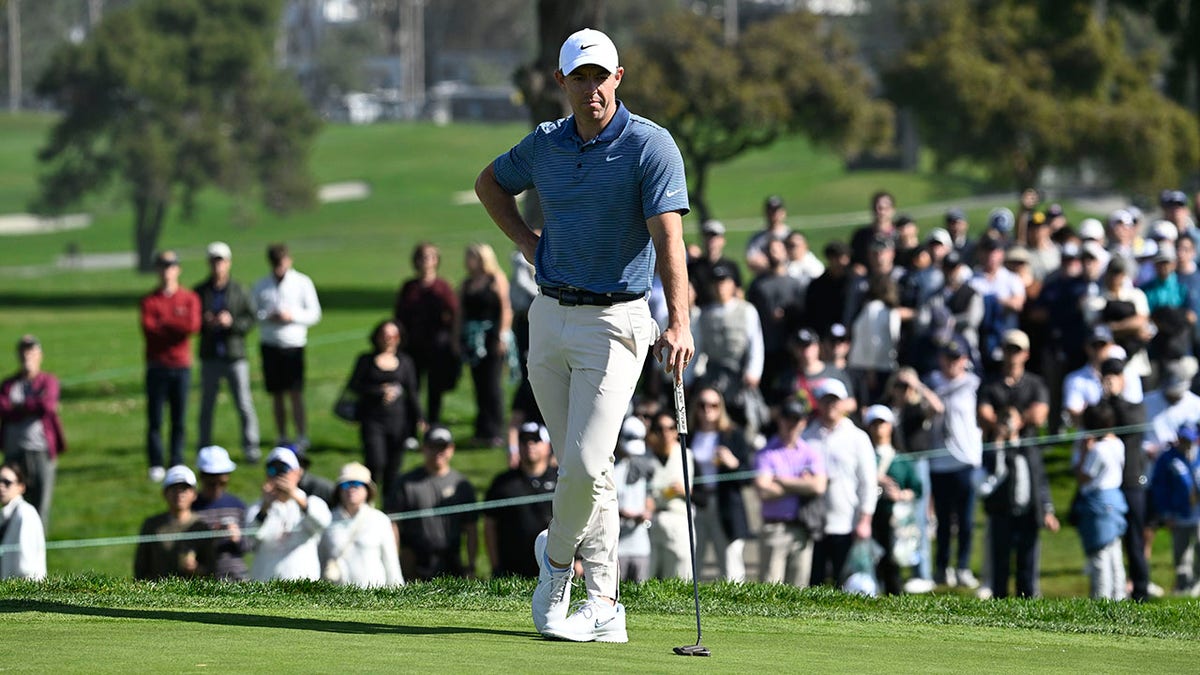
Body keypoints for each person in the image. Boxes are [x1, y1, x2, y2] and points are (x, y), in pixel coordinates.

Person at [474, 27, 692, 643]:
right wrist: (524, 241)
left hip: (616, 322)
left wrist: (679, 320)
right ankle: (606, 605)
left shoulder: (652, 146)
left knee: (587, 461)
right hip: (549, 317)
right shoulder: (544, 144)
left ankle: (555, 562)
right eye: (581, 77)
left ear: (618, 79)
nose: (592, 88)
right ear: (562, 83)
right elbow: (489, 183)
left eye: (602, 76)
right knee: (586, 473)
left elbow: (669, 239)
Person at [978, 406, 1059, 599]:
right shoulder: (993, 448)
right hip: (1002, 513)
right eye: (1004, 419)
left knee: (1027, 562)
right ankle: (1000, 601)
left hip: (1029, 514)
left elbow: (1040, 481)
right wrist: (998, 441)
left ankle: (1027, 600)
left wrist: (1047, 509)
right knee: (1001, 562)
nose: (1008, 423)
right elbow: (994, 472)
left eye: (1011, 418)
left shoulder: (1029, 448)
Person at [803, 379, 877, 587]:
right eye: (826, 401)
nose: (830, 406)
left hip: (847, 523)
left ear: (844, 403)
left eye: (835, 401)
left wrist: (865, 520)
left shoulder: (857, 437)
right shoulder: (807, 436)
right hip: (814, 523)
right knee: (813, 584)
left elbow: (868, 482)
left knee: (845, 584)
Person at [194, 241, 261, 464]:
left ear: (228, 263)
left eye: (221, 261)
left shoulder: (239, 290)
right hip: (210, 356)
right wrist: (206, 322)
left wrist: (232, 323)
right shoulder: (200, 292)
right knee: (207, 405)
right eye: (213, 261)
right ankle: (203, 449)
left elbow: (251, 318)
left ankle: (251, 448)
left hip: (234, 355)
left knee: (243, 403)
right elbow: (193, 321)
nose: (217, 266)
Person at [252, 243, 322, 451]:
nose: (279, 268)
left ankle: (301, 435)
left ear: (289, 261)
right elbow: (253, 313)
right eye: (275, 264)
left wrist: (292, 316)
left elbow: (314, 314)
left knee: (295, 392)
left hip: (293, 344)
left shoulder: (302, 282)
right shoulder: (261, 285)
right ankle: (281, 435)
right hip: (270, 343)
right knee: (277, 394)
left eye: (282, 263)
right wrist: (268, 316)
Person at [927, 335, 983, 589]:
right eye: (947, 358)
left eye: (956, 358)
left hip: (965, 460)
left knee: (966, 521)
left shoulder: (973, 385)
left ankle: (962, 566)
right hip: (939, 462)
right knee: (943, 522)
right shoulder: (931, 383)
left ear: (964, 360)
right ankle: (942, 567)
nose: (951, 363)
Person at [140, 250, 201, 482]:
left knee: (179, 418)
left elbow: (192, 326)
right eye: (163, 266)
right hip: (157, 365)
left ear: (178, 269)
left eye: (171, 265)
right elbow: (149, 329)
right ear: (158, 270)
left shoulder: (189, 298)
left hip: (181, 365)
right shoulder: (150, 300)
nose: (167, 270)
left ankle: (176, 460)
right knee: (155, 418)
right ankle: (156, 462)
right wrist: (176, 324)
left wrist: (166, 323)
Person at [386, 426, 477, 581]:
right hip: (414, 563)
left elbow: (471, 528)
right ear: (424, 448)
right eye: (432, 446)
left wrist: (470, 566)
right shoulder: (406, 483)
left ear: (451, 449)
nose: (438, 452)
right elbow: (393, 525)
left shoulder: (461, 484)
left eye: (442, 447)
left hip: (451, 562)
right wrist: (394, 563)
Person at [754, 397, 827, 587]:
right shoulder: (767, 452)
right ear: (780, 420)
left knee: (799, 589)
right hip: (774, 528)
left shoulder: (810, 452)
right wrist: (802, 483)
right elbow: (764, 490)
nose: (792, 424)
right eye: (788, 418)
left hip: (801, 527)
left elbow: (818, 486)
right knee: (770, 589)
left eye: (797, 419)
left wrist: (782, 481)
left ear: (803, 422)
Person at [345, 319, 422, 499]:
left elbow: (412, 392)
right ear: (377, 337)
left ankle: (390, 505)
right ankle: (366, 498)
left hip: (398, 421)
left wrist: (420, 418)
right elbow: (355, 387)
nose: (389, 340)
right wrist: (378, 392)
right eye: (385, 335)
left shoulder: (405, 362)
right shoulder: (365, 360)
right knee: (375, 461)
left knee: (394, 467)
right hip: (372, 419)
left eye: (393, 336)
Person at [0, 335, 65, 529]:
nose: (27, 355)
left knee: (39, 506)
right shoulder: (9, 384)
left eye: (31, 351)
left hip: (40, 452)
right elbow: (3, 408)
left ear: (40, 355)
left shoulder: (48, 381)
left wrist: (17, 407)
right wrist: (31, 406)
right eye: (23, 351)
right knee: (11, 504)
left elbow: (48, 405)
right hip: (13, 454)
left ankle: (37, 552)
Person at [687, 386, 751, 582]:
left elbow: (748, 476)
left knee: (730, 563)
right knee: (692, 560)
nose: (708, 410)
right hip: (696, 502)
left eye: (714, 405)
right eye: (702, 405)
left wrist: (733, 463)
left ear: (720, 408)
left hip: (725, 504)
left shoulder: (733, 435)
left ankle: (734, 606)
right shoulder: (688, 436)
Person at [394, 242, 461, 426]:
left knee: (435, 387)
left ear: (436, 261)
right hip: (412, 344)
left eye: (431, 257)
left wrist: (454, 340)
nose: (426, 261)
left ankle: (433, 424)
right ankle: (411, 428)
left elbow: (455, 315)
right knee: (411, 387)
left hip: (437, 345)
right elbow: (398, 317)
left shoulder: (443, 287)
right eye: (422, 257)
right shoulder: (409, 287)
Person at [246, 446, 331, 581]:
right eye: (273, 470)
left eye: (284, 470)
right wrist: (265, 507)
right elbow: (249, 540)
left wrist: (295, 497)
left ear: (297, 474)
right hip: (265, 586)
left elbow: (322, 524)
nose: (278, 476)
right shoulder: (256, 508)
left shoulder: (312, 502)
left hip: (303, 587)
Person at [457, 243, 512, 447]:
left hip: (491, 337)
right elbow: (460, 313)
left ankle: (495, 430)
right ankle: (481, 429)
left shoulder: (495, 279)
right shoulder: (467, 283)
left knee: (492, 384)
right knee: (478, 384)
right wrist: (457, 338)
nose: (470, 261)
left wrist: (502, 336)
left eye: (474, 257)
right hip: (473, 339)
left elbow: (506, 308)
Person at [485, 422, 556, 578]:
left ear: (548, 446)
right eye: (524, 441)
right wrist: (495, 565)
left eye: (535, 440)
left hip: (554, 569)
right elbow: (490, 525)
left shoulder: (561, 480)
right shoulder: (503, 483)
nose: (529, 445)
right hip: (512, 571)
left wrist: (578, 559)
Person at [863, 405, 921, 595]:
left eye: (883, 423)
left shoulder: (900, 459)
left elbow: (916, 488)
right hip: (867, 517)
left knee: (891, 562)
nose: (879, 428)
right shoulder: (864, 455)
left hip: (892, 519)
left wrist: (900, 495)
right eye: (874, 424)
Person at [1074, 404, 1128, 600]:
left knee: (1100, 556)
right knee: (1114, 553)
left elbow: (1084, 477)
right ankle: (1120, 597)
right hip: (1116, 499)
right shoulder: (1118, 444)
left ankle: (1101, 600)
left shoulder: (1097, 449)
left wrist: (1083, 452)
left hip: (1098, 502)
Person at [320, 462, 403, 588]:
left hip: (374, 598)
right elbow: (321, 561)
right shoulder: (327, 520)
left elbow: (391, 563)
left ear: (367, 490)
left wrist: (397, 596)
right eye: (346, 484)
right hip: (337, 599)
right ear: (339, 489)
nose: (351, 489)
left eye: (357, 484)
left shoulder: (379, 520)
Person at [134, 465, 215, 580]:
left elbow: (212, 570)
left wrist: (196, 569)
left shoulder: (202, 526)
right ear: (164, 493)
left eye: (184, 489)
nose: (179, 494)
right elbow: (141, 567)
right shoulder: (152, 525)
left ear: (194, 494)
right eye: (174, 489)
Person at [1148, 423, 1200, 595]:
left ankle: (1197, 583)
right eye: (1183, 438)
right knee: (1181, 550)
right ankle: (1184, 584)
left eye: (1190, 439)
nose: (1186, 442)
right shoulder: (1168, 458)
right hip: (1179, 512)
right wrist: (1166, 513)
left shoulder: (1198, 455)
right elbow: (1160, 488)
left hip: (1198, 512)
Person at [646, 411, 693, 581]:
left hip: (678, 519)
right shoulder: (646, 457)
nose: (666, 433)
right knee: (649, 576)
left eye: (671, 428)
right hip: (652, 522)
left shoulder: (686, 455)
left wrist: (685, 490)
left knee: (680, 573)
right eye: (660, 429)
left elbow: (701, 494)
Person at [192, 445, 250, 581]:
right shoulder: (192, 508)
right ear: (201, 476)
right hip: (203, 578)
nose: (216, 486)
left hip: (237, 576)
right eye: (211, 481)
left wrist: (237, 538)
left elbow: (249, 545)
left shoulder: (237, 505)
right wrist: (211, 536)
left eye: (221, 481)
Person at [614, 416, 656, 583]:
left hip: (640, 544)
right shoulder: (610, 467)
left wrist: (647, 512)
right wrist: (622, 513)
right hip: (616, 546)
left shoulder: (645, 465)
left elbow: (650, 496)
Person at [0, 462, 46, 580]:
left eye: (7, 482)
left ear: (21, 487)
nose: (1, 486)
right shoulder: (8, 514)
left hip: (24, 591)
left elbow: (25, 566)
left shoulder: (25, 514)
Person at [745, 195, 791, 275]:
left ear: (783, 212)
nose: (774, 214)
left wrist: (769, 262)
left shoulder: (790, 236)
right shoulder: (756, 238)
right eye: (771, 211)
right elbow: (751, 262)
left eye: (776, 211)